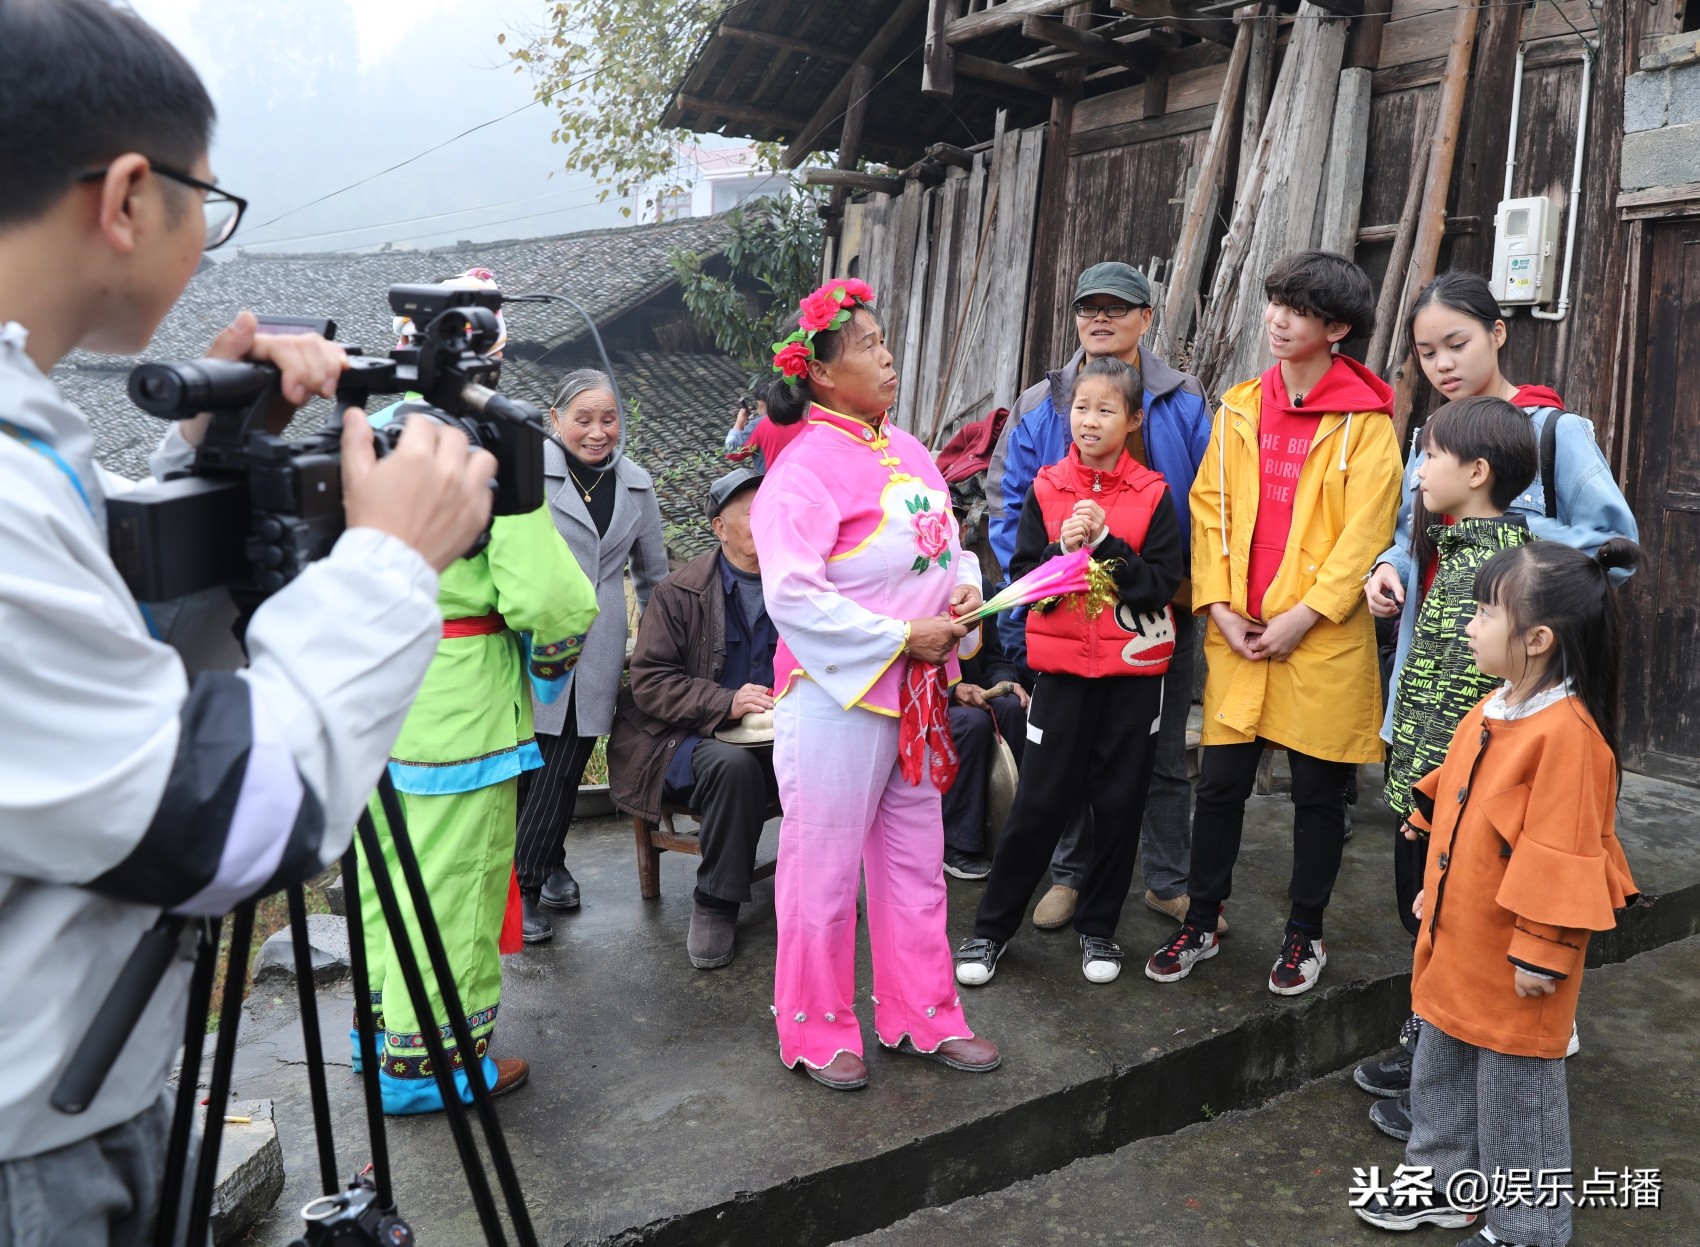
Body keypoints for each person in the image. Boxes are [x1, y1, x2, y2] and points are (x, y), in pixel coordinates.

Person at [0, 2, 496, 1238]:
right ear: (126, 194)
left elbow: (82, 679)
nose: (208, 246)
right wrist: (388, 559)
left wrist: (216, 461)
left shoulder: (31, 434)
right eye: (206, 209)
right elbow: (223, 822)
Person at [1354, 270, 1638, 1134]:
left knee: (1500, 884)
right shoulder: (1430, 437)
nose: (1441, 363)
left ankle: (1492, 1051)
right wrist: (1390, 572)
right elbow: (1414, 538)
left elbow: (1611, 545)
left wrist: (1510, 527)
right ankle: (1432, 1027)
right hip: (1432, 689)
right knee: (1427, 872)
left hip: (1514, 705)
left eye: (1457, 344)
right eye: (1426, 352)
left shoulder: (1552, 431)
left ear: (1498, 332)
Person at [354, 269, 600, 1115]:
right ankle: (434, 1066)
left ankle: (382, 1030)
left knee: (385, 873)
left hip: (362, 697)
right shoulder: (485, 447)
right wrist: (546, 670)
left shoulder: (357, 429)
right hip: (458, 704)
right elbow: (555, 602)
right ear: (489, 359)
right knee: (454, 885)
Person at [1354, 540, 1641, 1246]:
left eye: (1485, 611)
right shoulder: (1495, 706)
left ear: (1537, 639)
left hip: (1520, 959)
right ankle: (1443, 1181)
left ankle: (1528, 1226)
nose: (1469, 623)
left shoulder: (1570, 737)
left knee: (1518, 1096)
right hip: (1461, 937)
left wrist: (1544, 951)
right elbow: (1456, 789)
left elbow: (1567, 853)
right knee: (1440, 1064)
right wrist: (1432, 877)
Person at [751, 277, 999, 1090]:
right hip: (835, 697)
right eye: (866, 345)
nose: (887, 355)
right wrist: (901, 633)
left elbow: (945, 542)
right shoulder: (801, 469)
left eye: (886, 339)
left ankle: (922, 1013)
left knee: (915, 863)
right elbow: (792, 592)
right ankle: (816, 1028)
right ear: (820, 373)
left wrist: (963, 586)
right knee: (821, 872)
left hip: (915, 688)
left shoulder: (912, 446)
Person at [1145, 249, 1401, 996]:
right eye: (1276, 302)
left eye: (1300, 309)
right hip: (1238, 628)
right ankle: (1202, 918)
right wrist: (1218, 605)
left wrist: (1305, 615)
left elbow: (1366, 530)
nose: (1279, 319)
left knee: (1320, 793)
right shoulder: (1240, 406)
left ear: (1338, 329)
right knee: (1220, 785)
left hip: (1316, 635)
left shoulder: (1366, 424)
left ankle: (1304, 933)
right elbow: (1208, 509)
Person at [985, 261, 1213, 933]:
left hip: (1158, 606)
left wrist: (1188, 585)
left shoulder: (1184, 396)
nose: (1102, 318)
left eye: (1119, 307)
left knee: (1164, 754)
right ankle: (1070, 876)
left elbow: (1209, 499)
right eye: (1090, 308)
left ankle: (1168, 881)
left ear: (1148, 317)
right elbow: (1007, 504)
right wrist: (1041, 584)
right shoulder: (1043, 401)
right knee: (1065, 756)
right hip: (1066, 610)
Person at [955, 356, 1185, 988]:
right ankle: (991, 931)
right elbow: (1029, 583)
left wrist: (1108, 546)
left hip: (1132, 680)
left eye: (1106, 409)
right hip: (1058, 678)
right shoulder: (1047, 489)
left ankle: (1100, 930)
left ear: (1134, 419)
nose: (1090, 420)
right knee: (1037, 805)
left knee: (1118, 806)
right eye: (1081, 408)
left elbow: (1159, 587)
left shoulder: (1155, 496)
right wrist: (1063, 552)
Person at [514, 368, 668, 941]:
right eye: (583, 419)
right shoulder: (528, 474)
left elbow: (653, 576)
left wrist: (655, 650)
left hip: (599, 639)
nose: (598, 432)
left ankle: (537, 871)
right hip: (532, 634)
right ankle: (534, 877)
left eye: (608, 419)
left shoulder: (637, 484)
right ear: (555, 421)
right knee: (532, 762)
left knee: (567, 759)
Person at [608, 466, 780, 970]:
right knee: (731, 765)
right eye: (750, 512)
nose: (764, 519)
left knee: (836, 750)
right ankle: (714, 903)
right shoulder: (679, 592)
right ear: (719, 528)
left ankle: (816, 889)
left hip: (776, 737)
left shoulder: (800, 583)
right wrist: (724, 702)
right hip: (680, 741)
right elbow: (651, 683)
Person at [940, 569, 1029, 881]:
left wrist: (1005, 681)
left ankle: (1017, 828)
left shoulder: (979, 586)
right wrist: (951, 692)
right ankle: (956, 843)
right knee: (971, 723)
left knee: (1011, 708)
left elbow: (994, 656)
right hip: (924, 701)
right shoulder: (913, 584)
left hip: (978, 695)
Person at [725, 378, 802, 473]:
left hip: (770, 483)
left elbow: (731, 452)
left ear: (760, 404)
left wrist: (738, 424)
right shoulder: (806, 421)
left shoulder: (759, 424)